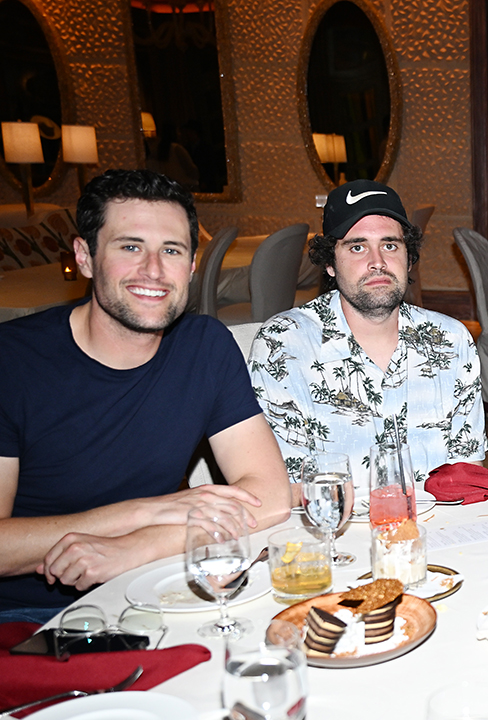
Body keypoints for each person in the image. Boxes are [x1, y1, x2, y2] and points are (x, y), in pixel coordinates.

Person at [0, 169, 291, 622]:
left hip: (154, 588)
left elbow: (271, 497)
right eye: (130, 246)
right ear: (85, 256)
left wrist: (133, 548)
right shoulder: (12, 362)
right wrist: (147, 512)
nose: (153, 271)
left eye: (171, 250)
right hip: (27, 616)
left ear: (193, 265)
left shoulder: (204, 346)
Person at [249, 180, 487, 484]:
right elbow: (280, 488)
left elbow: (470, 476)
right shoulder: (284, 346)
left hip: (438, 528)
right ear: (330, 263)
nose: (378, 263)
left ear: (408, 257)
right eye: (358, 247)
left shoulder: (452, 341)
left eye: (390, 245)